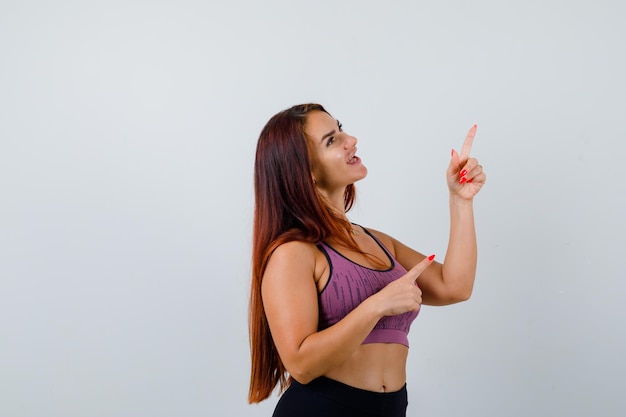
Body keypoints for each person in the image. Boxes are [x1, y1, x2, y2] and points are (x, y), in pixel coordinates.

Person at [248, 103, 486, 417]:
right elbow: (301, 364)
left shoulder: (377, 241)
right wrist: (377, 305)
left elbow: (454, 287)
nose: (351, 140)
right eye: (331, 140)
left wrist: (460, 200)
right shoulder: (292, 253)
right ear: (305, 171)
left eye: (341, 129)